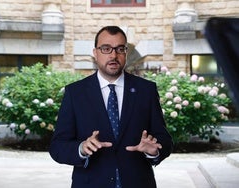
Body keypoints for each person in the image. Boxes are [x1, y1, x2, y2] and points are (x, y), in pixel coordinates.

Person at [49, 26, 173, 188]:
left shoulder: (146, 90)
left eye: (120, 49)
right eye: (106, 48)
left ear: (125, 53)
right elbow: (57, 146)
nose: (113, 55)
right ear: (95, 52)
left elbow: (165, 140)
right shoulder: (75, 93)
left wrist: (154, 151)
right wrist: (81, 148)